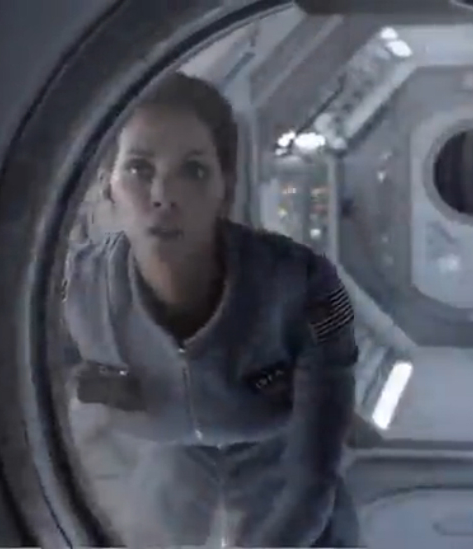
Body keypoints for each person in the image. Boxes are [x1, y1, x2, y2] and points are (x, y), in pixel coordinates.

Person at [61, 73, 361, 547]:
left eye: (193, 171)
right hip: (161, 466)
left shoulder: (309, 285)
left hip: (280, 463)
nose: (163, 195)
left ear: (227, 187)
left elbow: (313, 477)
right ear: (108, 185)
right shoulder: (70, 291)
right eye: (139, 168)